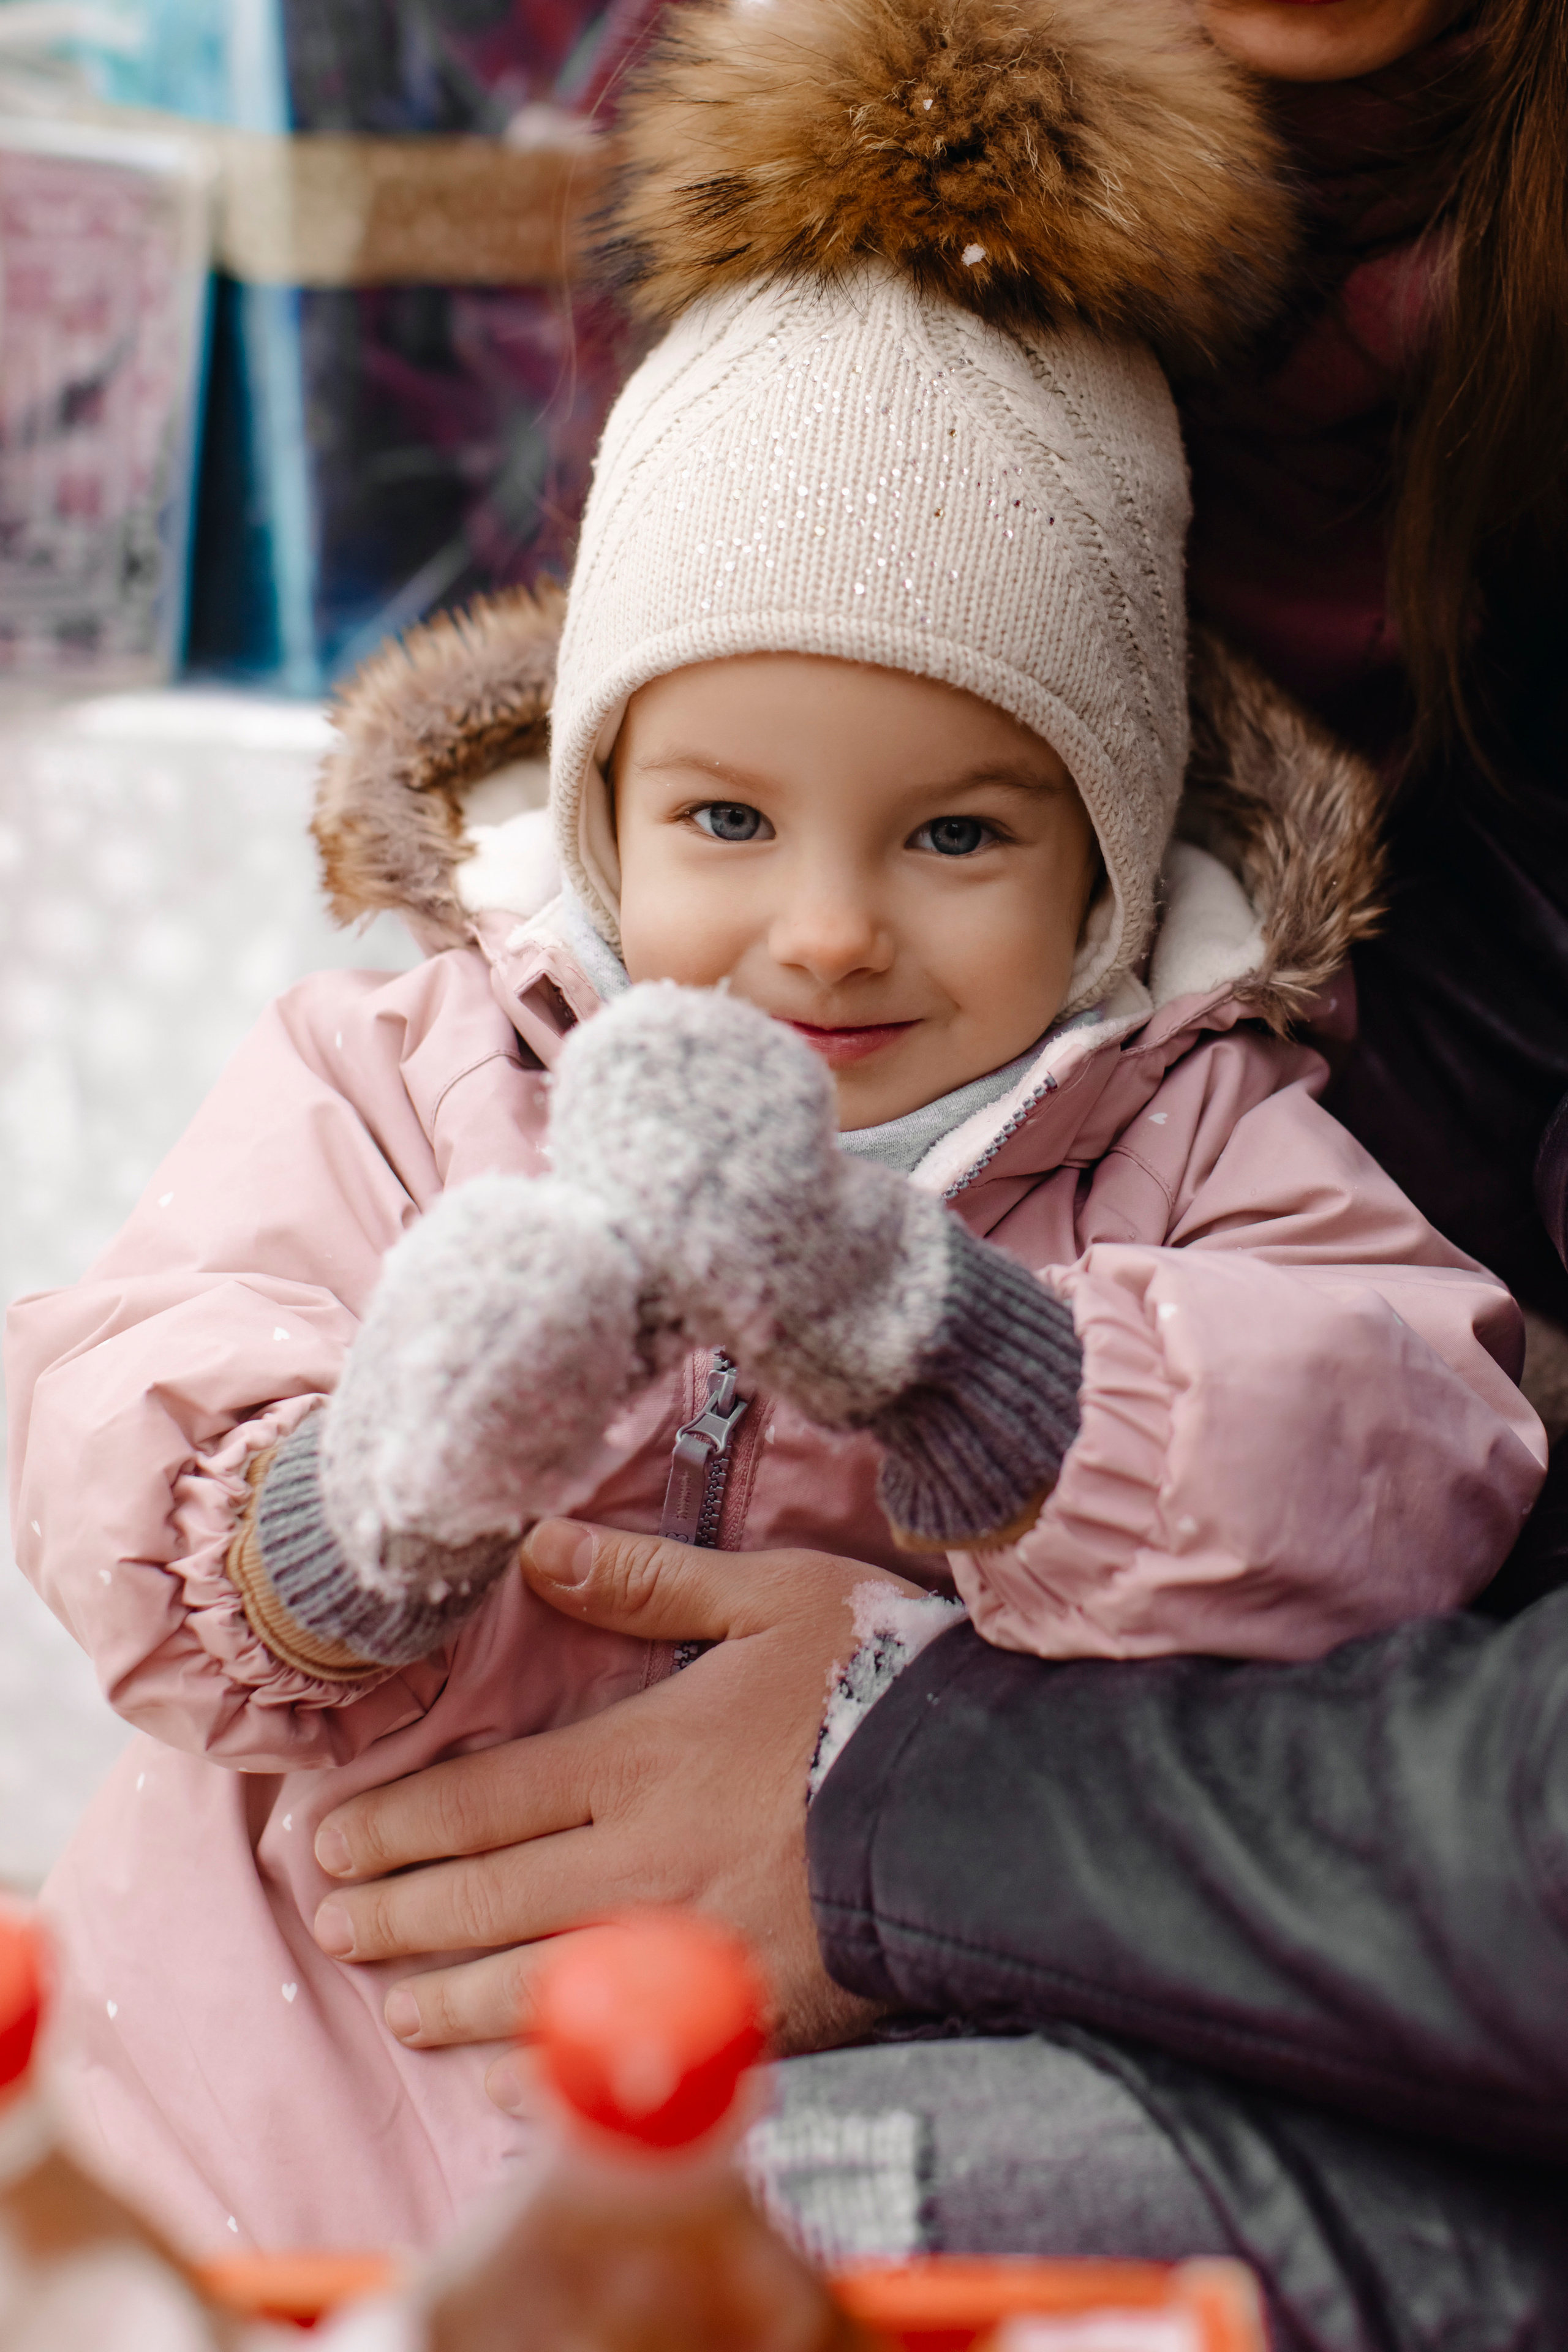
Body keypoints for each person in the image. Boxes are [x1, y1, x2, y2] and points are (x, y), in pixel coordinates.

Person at [4, 0, 1544, 2270]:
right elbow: (118, 1401)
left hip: (793, 2121)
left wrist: (965, 1354)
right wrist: (367, 1497)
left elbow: (1410, 1466)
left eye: (954, 833)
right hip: (269, 2100)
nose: (823, 937)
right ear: (604, 800)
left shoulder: (1198, 1124)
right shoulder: (418, 1067)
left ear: (1110, 855)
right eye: (727, 815)